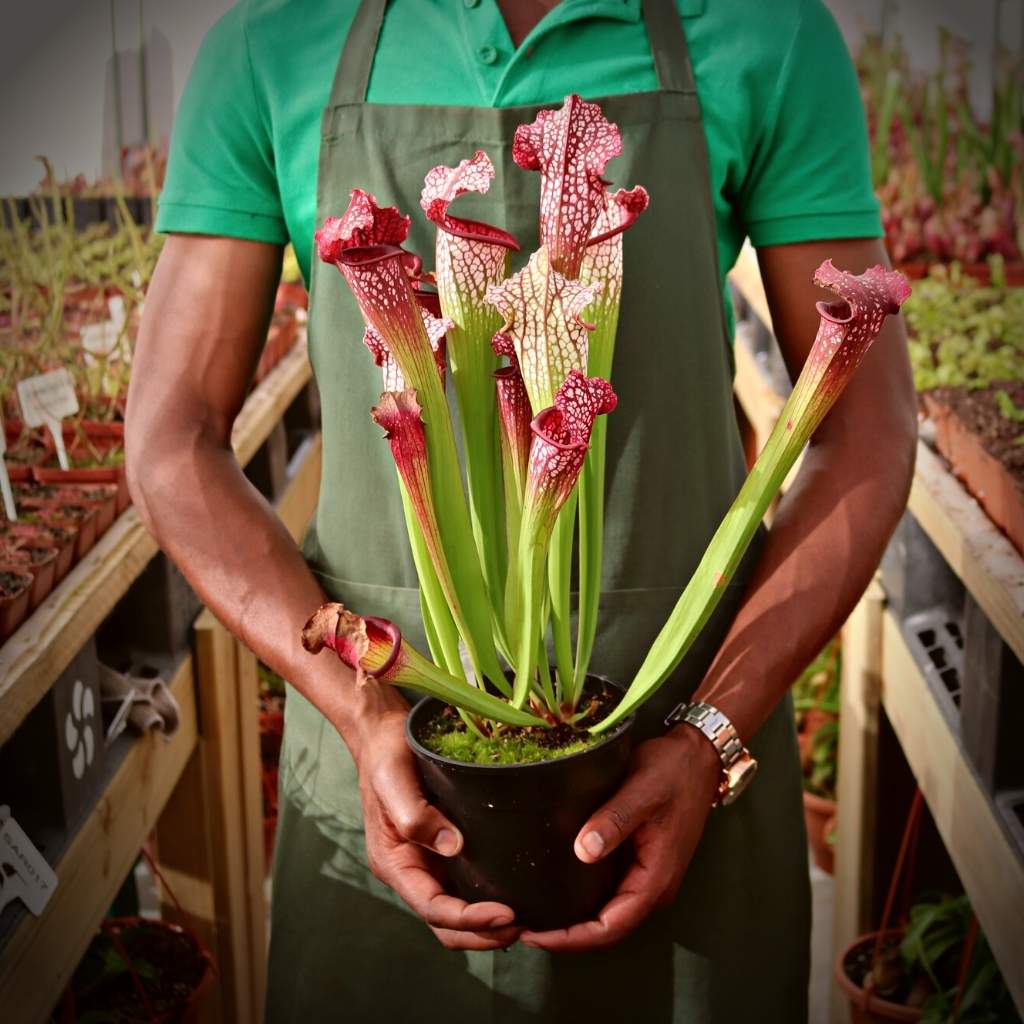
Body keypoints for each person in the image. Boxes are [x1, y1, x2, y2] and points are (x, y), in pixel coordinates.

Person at [127, 0, 917, 1020]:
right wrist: (365, 716)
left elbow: (867, 429)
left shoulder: (761, 31)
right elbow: (169, 436)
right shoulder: (271, 46)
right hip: (391, 771)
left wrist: (708, 733)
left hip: (684, 755)